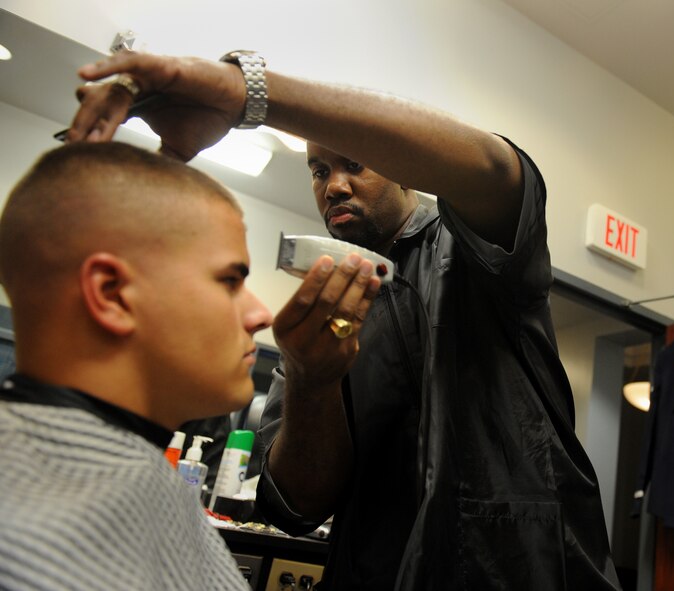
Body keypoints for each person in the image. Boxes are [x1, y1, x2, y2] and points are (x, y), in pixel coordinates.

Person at [66, 51, 622, 590]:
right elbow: (297, 506)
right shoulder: (326, 309)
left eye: (353, 163)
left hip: (528, 569)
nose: (332, 185)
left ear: (405, 171)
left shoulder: (480, 253)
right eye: (318, 169)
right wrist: (312, 376)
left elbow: (494, 169)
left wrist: (246, 93)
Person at [0, 141, 379, 590]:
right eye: (229, 280)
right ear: (112, 295)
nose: (261, 315)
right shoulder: (26, 547)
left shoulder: (137, 484)